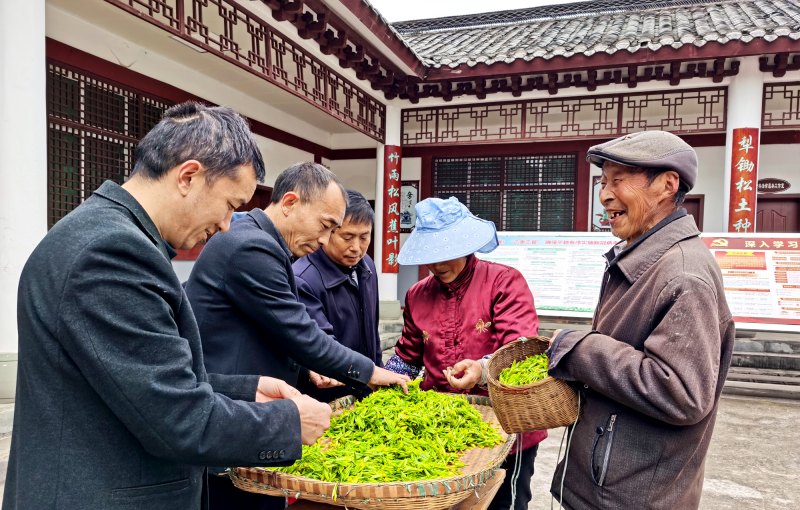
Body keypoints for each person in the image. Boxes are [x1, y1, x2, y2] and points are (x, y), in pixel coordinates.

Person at [4, 102, 333, 510]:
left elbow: (138, 380)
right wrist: (290, 423)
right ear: (189, 176)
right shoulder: (112, 253)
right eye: (230, 205)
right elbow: (178, 420)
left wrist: (247, 390)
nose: (227, 225)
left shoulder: (107, 234)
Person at [449, 131, 735, 509]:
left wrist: (582, 348)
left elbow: (682, 393)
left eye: (618, 180)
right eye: (603, 182)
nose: (605, 195)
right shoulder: (640, 258)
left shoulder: (683, 274)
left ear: (667, 185)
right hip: (607, 480)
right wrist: (491, 370)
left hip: (632, 495)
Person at [185, 162, 409, 509]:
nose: (323, 240)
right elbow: (302, 333)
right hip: (234, 418)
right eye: (326, 227)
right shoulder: (251, 247)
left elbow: (265, 331)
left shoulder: (264, 243)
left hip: (253, 413)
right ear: (290, 203)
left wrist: (305, 372)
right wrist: (372, 372)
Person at [384, 196, 547, 510]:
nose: (438, 264)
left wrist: (483, 370)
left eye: (447, 253)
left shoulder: (504, 282)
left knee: (504, 503)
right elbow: (408, 354)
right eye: (431, 255)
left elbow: (522, 354)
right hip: (441, 431)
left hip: (505, 430)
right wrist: (387, 376)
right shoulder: (417, 295)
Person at [293, 189, 382, 402]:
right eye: (347, 237)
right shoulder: (303, 279)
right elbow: (321, 346)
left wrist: (377, 371)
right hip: (326, 398)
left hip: (367, 389)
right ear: (328, 232)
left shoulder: (367, 266)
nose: (356, 248)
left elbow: (373, 330)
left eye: (364, 237)